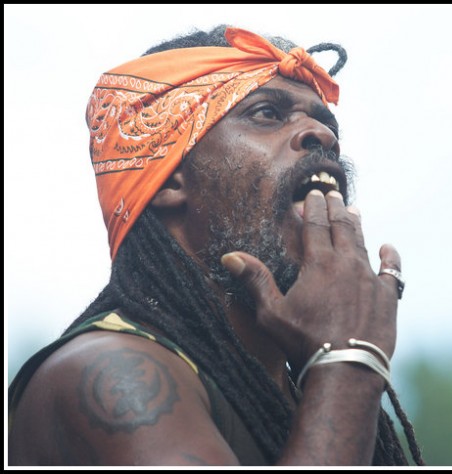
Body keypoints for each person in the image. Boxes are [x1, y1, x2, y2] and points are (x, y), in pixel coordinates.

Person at [7, 24, 424, 466]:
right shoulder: (113, 371)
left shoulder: (291, 393)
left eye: (324, 121)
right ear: (169, 178)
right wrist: (349, 362)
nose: (322, 136)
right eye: (267, 113)